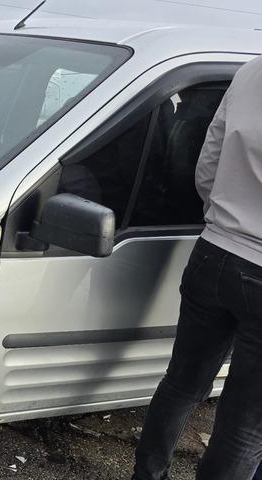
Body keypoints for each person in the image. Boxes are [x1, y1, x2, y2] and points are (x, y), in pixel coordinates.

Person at [132, 55, 262, 480]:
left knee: (181, 383)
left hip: (215, 252)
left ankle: (147, 475)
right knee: (243, 428)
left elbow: (208, 163)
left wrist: (221, 217)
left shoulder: (252, 70)